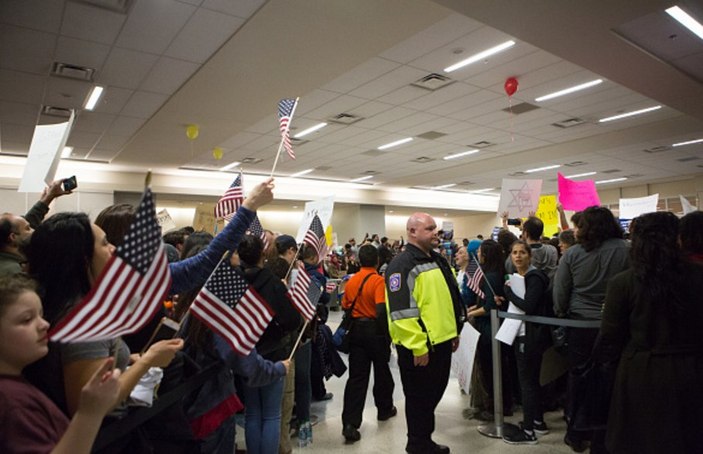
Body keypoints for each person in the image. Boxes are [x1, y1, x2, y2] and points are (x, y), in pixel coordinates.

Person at [24, 212, 184, 453]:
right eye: (104, 243)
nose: (113, 250)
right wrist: (149, 360)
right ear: (82, 260)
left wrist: (126, 360)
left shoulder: (61, 305)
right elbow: (90, 405)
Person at [598, 212, 703, 453]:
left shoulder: (623, 283)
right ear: (677, 239)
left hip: (640, 373)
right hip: (693, 369)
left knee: (642, 440)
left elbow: (610, 336)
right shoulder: (698, 276)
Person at [0, 274, 120, 454]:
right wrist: (90, 413)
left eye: (41, 315)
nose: (44, 324)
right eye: (26, 320)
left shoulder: (15, 387)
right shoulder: (13, 403)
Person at [552, 206, 629, 452]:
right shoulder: (627, 251)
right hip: (616, 325)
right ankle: (605, 436)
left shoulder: (573, 254)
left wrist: (561, 314)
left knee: (579, 378)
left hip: (580, 325)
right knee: (611, 381)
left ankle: (576, 433)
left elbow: (561, 292)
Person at [385, 212, 463, 454]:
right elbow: (402, 313)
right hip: (420, 346)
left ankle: (423, 439)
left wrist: (453, 331)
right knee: (419, 399)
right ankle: (418, 443)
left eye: (435, 228)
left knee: (432, 394)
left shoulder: (438, 260)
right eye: (429, 229)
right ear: (412, 232)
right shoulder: (401, 265)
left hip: (442, 340)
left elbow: (447, 298)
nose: (435, 233)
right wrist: (418, 346)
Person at [237, 235, 301, 454]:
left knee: (252, 413)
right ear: (263, 255)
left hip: (245, 352)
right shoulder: (273, 282)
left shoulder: (232, 281)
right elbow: (293, 319)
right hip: (273, 352)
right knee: (272, 413)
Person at [340, 244, 395, 443]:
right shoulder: (378, 281)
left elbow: (345, 305)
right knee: (382, 372)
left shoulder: (352, 281)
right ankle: (384, 408)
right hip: (375, 332)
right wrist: (387, 335)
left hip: (356, 333)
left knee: (356, 378)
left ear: (359, 261)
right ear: (377, 261)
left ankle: (350, 423)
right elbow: (381, 310)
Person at [500, 240, 552, 445]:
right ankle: (536, 421)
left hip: (529, 336)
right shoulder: (521, 277)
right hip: (522, 333)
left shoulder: (534, 277)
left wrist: (509, 294)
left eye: (522, 252)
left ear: (530, 255)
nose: (518, 256)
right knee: (529, 381)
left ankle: (529, 431)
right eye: (514, 253)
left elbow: (528, 306)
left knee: (528, 383)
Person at [0, 180, 72, 277]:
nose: (34, 230)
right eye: (28, 228)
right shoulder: (15, 273)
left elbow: (30, 220)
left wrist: (48, 197)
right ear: (12, 237)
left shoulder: (8, 258)